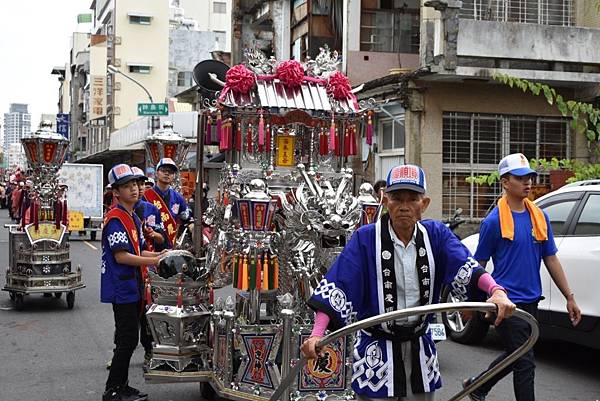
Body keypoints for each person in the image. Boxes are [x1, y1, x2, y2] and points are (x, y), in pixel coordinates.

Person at [301, 164, 515, 401]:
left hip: (419, 347)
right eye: (396, 198)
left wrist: (496, 291)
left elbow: (467, 266)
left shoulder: (436, 235)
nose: (404, 206)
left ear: (424, 204)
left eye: (412, 199)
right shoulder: (366, 239)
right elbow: (339, 284)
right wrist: (317, 334)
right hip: (377, 349)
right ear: (385, 201)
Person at [464, 153, 581, 401]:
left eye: (529, 177)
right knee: (524, 361)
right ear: (505, 182)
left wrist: (569, 297)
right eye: (520, 178)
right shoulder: (493, 222)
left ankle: (478, 386)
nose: (527, 182)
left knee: (516, 355)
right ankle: (479, 387)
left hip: (531, 301)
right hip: (506, 301)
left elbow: (550, 258)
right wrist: (475, 303)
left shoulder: (540, 218)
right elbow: (479, 265)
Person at [101, 163, 165, 401]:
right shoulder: (116, 218)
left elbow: (138, 250)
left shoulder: (132, 217)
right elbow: (122, 256)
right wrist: (155, 261)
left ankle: (122, 385)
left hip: (133, 286)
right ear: (116, 192)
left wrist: (162, 255)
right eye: (126, 186)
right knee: (126, 340)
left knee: (129, 339)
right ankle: (113, 390)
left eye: (135, 185)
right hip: (122, 288)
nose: (134, 190)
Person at [131, 166, 166, 368]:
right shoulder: (122, 211)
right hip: (131, 269)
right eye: (134, 184)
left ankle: (149, 350)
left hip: (149, 268)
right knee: (127, 316)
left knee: (148, 312)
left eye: (142, 183)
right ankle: (121, 350)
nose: (139, 188)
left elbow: (162, 239)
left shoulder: (152, 209)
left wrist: (154, 236)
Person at [142, 158, 190, 250]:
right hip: (149, 245)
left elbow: (186, 218)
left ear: (174, 176)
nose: (167, 173)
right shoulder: (145, 195)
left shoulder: (178, 198)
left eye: (171, 172)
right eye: (164, 170)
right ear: (156, 173)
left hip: (170, 246)